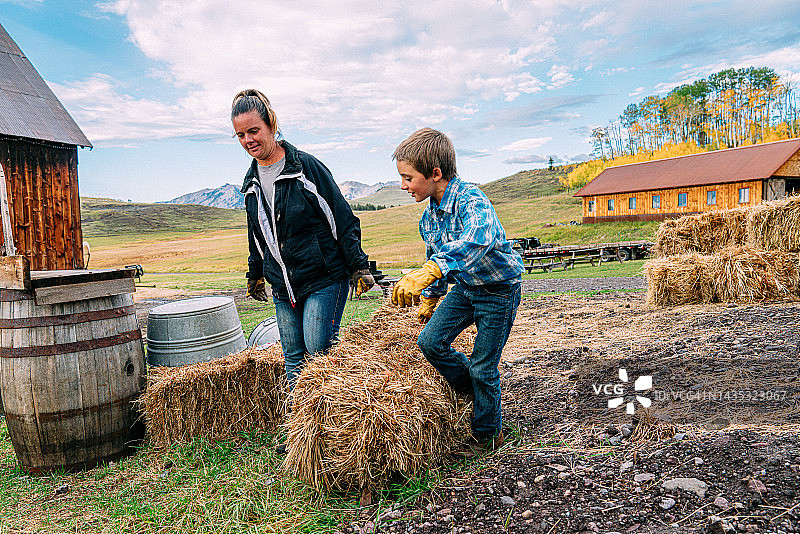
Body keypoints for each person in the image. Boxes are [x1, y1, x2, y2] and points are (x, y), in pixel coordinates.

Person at [391, 128, 523, 456]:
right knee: (430, 342)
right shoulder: (429, 217)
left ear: (435, 174)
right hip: (465, 289)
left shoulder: (470, 199)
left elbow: (481, 238)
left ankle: (488, 434)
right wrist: (431, 295)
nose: (403, 186)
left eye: (408, 178)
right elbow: (432, 255)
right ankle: (478, 395)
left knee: (483, 365)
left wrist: (434, 269)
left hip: (499, 291)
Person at [232, 89, 374, 389]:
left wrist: (359, 266)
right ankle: (302, 429)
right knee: (293, 356)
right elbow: (256, 234)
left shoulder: (304, 168)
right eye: (241, 135)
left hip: (323, 277)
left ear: (271, 124)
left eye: (254, 131)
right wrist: (256, 274)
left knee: (318, 349)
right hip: (283, 285)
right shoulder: (251, 182)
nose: (248, 141)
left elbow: (342, 217)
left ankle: (334, 420)